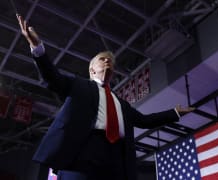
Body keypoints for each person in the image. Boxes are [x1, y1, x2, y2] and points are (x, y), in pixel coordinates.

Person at [16, 14, 195, 180]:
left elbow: (145, 120)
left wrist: (175, 113)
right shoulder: (79, 86)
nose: (108, 61)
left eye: (110, 61)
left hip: (117, 158)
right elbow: (52, 78)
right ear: (92, 69)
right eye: (102, 59)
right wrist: (37, 48)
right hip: (83, 153)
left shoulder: (122, 104)